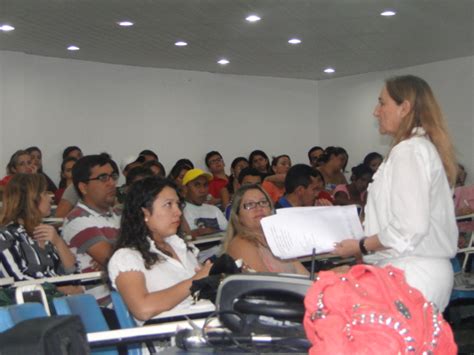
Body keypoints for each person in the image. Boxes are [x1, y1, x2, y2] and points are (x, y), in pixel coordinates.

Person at [333, 75, 458, 312]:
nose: (375, 111)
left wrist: (360, 246)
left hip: (411, 272)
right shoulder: (417, 148)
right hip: (414, 270)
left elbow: (409, 227)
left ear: (405, 107)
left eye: (382, 103)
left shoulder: (409, 151)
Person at [108, 177, 212, 323]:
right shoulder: (126, 257)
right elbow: (143, 309)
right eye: (168, 204)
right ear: (145, 212)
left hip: (205, 325)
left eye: (178, 204)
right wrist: (196, 280)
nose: (178, 212)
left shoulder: (181, 247)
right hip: (169, 339)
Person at [62, 154, 121, 304]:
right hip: (105, 306)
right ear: (83, 187)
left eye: (113, 176)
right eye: (103, 178)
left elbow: (149, 247)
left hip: (128, 295)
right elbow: (115, 260)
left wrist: (117, 250)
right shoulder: (77, 219)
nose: (112, 183)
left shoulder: (120, 215)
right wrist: (119, 254)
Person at [0, 174, 76, 282]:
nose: (51, 199)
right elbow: (16, 280)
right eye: (45, 193)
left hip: (63, 296)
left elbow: (74, 272)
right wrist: (62, 289)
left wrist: (59, 243)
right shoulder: (5, 237)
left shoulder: (49, 232)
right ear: (30, 198)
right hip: (35, 297)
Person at [223, 184, 308, 275]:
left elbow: (306, 276)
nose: (259, 208)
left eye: (263, 202)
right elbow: (265, 285)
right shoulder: (240, 245)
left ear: (271, 209)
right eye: (250, 204)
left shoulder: (277, 240)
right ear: (238, 216)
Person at [181, 168, 228, 238]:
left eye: (205, 185)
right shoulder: (179, 211)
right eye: (197, 185)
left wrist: (210, 231)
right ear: (185, 189)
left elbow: (228, 233)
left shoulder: (214, 210)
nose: (203, 190)